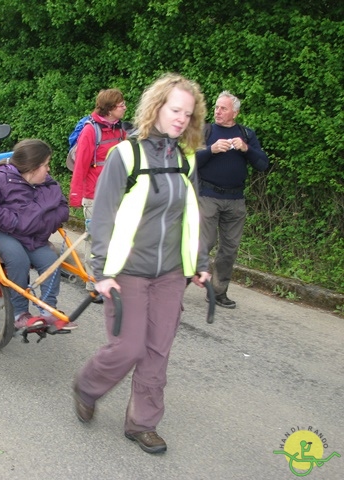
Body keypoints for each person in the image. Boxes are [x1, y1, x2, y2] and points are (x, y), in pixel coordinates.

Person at [73, 73, 211, 454]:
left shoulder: (186, 158)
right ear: (157, 108)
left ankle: (142, 423)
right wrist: (100, 272)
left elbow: (192, 214)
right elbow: (102, 216)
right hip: (127, 271)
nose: (182, 118)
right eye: (175, 109)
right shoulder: (126, 155)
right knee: (129, 346)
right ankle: (87, 386)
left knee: (157, 350)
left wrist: (200, 261)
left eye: (188, 112)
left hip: (170, 274)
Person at [0, 139, 70, 329]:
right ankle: (20, 313)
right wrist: (13, 220)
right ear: (32, 167)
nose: (48, 169)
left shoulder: (48, 183)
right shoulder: (0, 178)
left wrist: (39, 222)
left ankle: (48, 310)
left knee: (50, 260)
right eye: (45, 165)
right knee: (17, 257)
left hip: (32, 235)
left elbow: (63, 209)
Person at [196, 91, 269, 309]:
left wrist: (246, 149)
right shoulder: (205, 131)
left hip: (235, 199)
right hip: (208, 195)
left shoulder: (246, 134)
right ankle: (176, 286)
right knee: (203, 245)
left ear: (234, 113)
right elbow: (187, 160)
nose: (218, 111)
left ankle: (218, 292)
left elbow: (263, 164)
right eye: (216, 107)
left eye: (223, 108)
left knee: (229, 249)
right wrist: (211, 149)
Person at [69, 88, 127, 295]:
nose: (125, 107)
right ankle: (93, 282)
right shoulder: (90, 131)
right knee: (95, 239)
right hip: (94, 196)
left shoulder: (120, 130)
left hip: (118, 194)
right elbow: (81, 166)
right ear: (110, 109)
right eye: (121, 105)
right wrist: (76, 196)